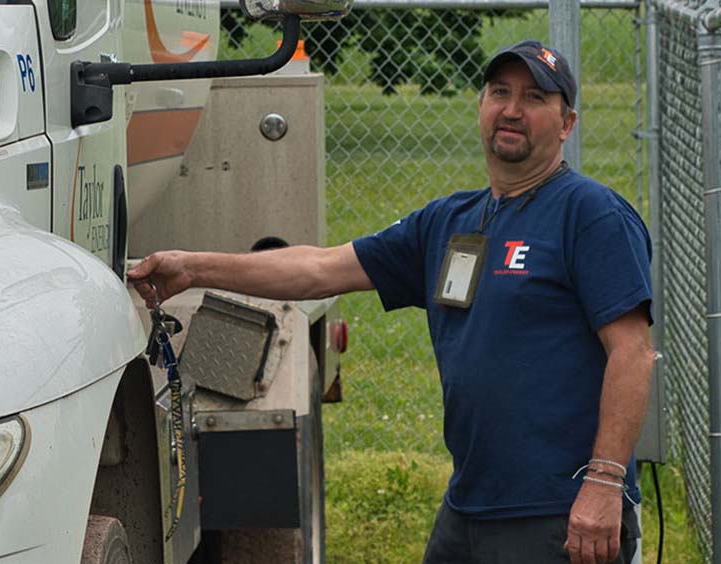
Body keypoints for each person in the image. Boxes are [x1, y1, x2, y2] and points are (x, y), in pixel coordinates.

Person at [129, 40, 655, 564]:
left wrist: (604, 484)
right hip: (471, 505)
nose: (512, 110)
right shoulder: (451, 221)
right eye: (500, 92)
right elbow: (319, 269)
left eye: (536, 97)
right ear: (481, 107)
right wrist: (193, 267)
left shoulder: (591, 215)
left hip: (557, 511)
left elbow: (631, 352)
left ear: (567, 123)